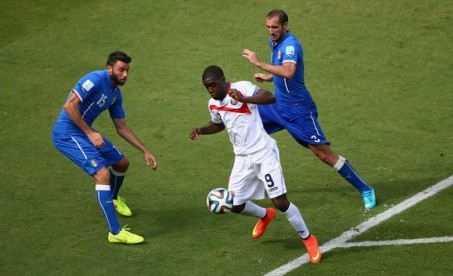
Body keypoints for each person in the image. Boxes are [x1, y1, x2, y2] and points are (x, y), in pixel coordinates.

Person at [242, 9, 376, 210]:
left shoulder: (290, 45)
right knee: (247, 122)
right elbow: (284, 71)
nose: (271, 31)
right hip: (278, 105)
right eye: (268, 27)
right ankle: (245, 177)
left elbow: (289, 71)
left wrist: (260, 64)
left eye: (275, 27)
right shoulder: (276, 42)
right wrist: (270, 78)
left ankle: (365, 189)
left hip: (299, 110)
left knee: (323, 154)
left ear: (285, 25)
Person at [189, 65, 321, 264]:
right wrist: (200, 130)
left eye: (213, 85)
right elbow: (218, 124)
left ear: (223, 80)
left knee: (280, 201)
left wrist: (244, 99)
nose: (210, 90)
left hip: (263, 153)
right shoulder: (213, 104)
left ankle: (308, 238)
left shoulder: (242, 87)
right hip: (242, 159)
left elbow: (270, 97)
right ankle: (265, 216)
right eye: (207, 87)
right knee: (234, 204)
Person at [51, 51, 158, 244]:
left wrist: (145, 150)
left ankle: (114, 199)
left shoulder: (115, 94)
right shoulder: (94, 79)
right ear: (110, 69)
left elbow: (121, 127)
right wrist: (90, 133)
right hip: (67, 133)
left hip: (84, 132)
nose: (125, 74)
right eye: (121, 69)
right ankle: (115, 232)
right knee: (102, 175)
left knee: (122, 163)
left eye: (127, 70)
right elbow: (69, 106)